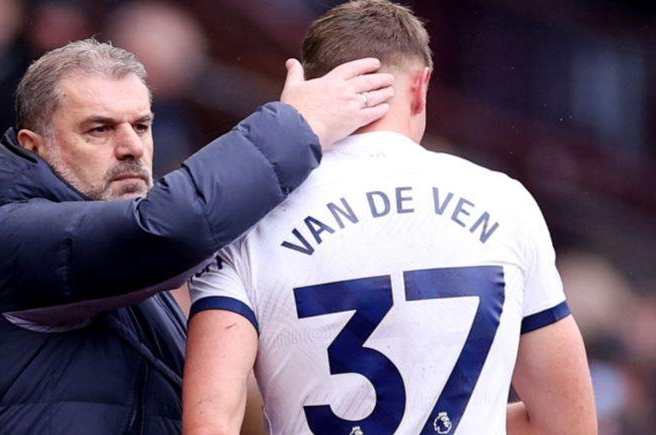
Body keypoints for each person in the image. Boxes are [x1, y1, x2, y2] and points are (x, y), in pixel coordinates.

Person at [0, 38, 396, 434]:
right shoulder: (3, 236)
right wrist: (297, 124)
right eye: (99, 129)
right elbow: (169, 229)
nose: (132, 147)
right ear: (33, 146)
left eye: (141, 125)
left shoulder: (139, 276)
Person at [183, 1, 597, 434]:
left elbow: (210, 422)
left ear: (305, 85)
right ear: (421, 87)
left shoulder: (248, 217)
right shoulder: (505, 202)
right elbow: (568, 424)